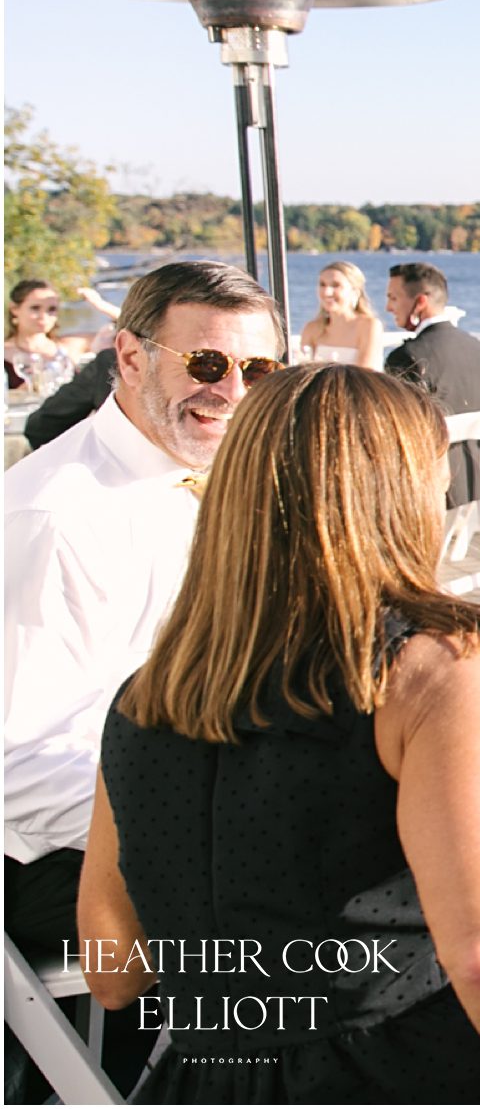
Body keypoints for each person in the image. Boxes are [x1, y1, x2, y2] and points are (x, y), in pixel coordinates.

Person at [79, 363, 480, 1103]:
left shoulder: (144, 699)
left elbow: (113, 971)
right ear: (397, 494)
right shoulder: (430, 670)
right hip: (402, 1074)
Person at [3, 261, 282, 1098]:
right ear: (128, 358)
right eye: (205, 364)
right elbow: (16, 765)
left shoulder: (211, 472)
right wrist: (210, 807)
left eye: (257, 370)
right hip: (44, 859)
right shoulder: (59, 515)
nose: (231, 391)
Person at [384, 261, 480, 510]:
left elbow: (399, 433)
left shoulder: (407, 357)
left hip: (425, 488)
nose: (388, 307)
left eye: (393, 297)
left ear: (420, 302)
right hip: (469, 479)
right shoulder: (478, 348)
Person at [5, 278, 88, 392]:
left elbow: (120, 334)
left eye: (52, 309)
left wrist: (100, 305)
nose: (43, 316)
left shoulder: (69, 346)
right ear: (14, 309)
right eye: (35, 308)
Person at [299, 258, 384, 368]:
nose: (327, 292)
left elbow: (367, 374)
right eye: (322, 285)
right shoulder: (312, 329)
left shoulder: (369, 326)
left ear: (355, 291)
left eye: (335, 285)